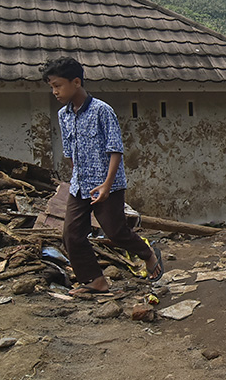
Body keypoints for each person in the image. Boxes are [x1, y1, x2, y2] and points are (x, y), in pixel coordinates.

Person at [42, 57, 163, 295]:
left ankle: (148, 254)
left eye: (58, 85)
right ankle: (95, 280)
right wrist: (76, 176)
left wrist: (107, 185)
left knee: (115, 231)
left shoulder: (101, 110)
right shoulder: (63, 115)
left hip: (108, 185)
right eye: (52, 87)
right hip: (80, 186)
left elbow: (115, 149)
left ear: (76, 82)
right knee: (71, 235)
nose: (54, 91)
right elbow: (69, 152)